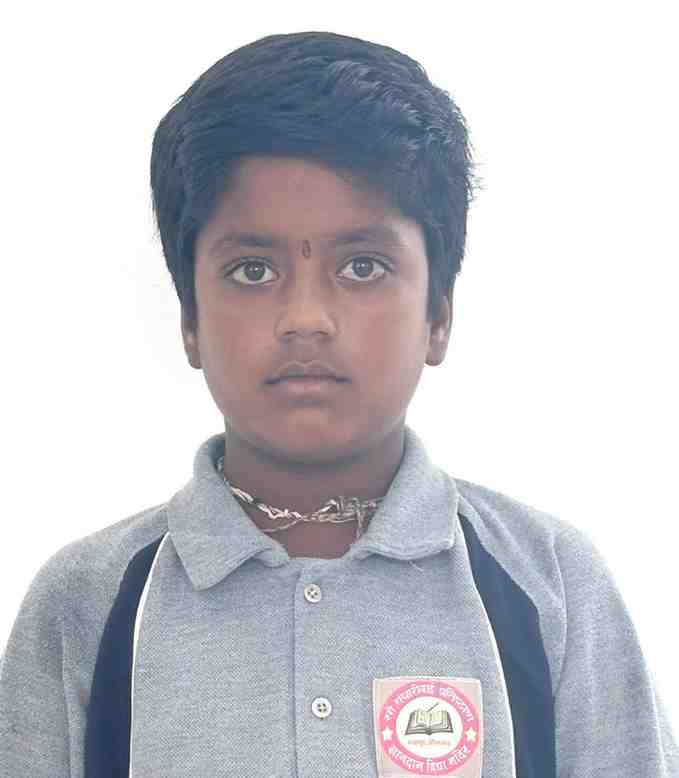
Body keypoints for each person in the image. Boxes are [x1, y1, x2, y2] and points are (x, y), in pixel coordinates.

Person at [1, 30, 677, 778]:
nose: (305, 319)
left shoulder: (550, 583)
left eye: (362, 266)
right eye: (252, 270)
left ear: (438, 316)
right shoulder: (89, 602)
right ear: (190, 320)